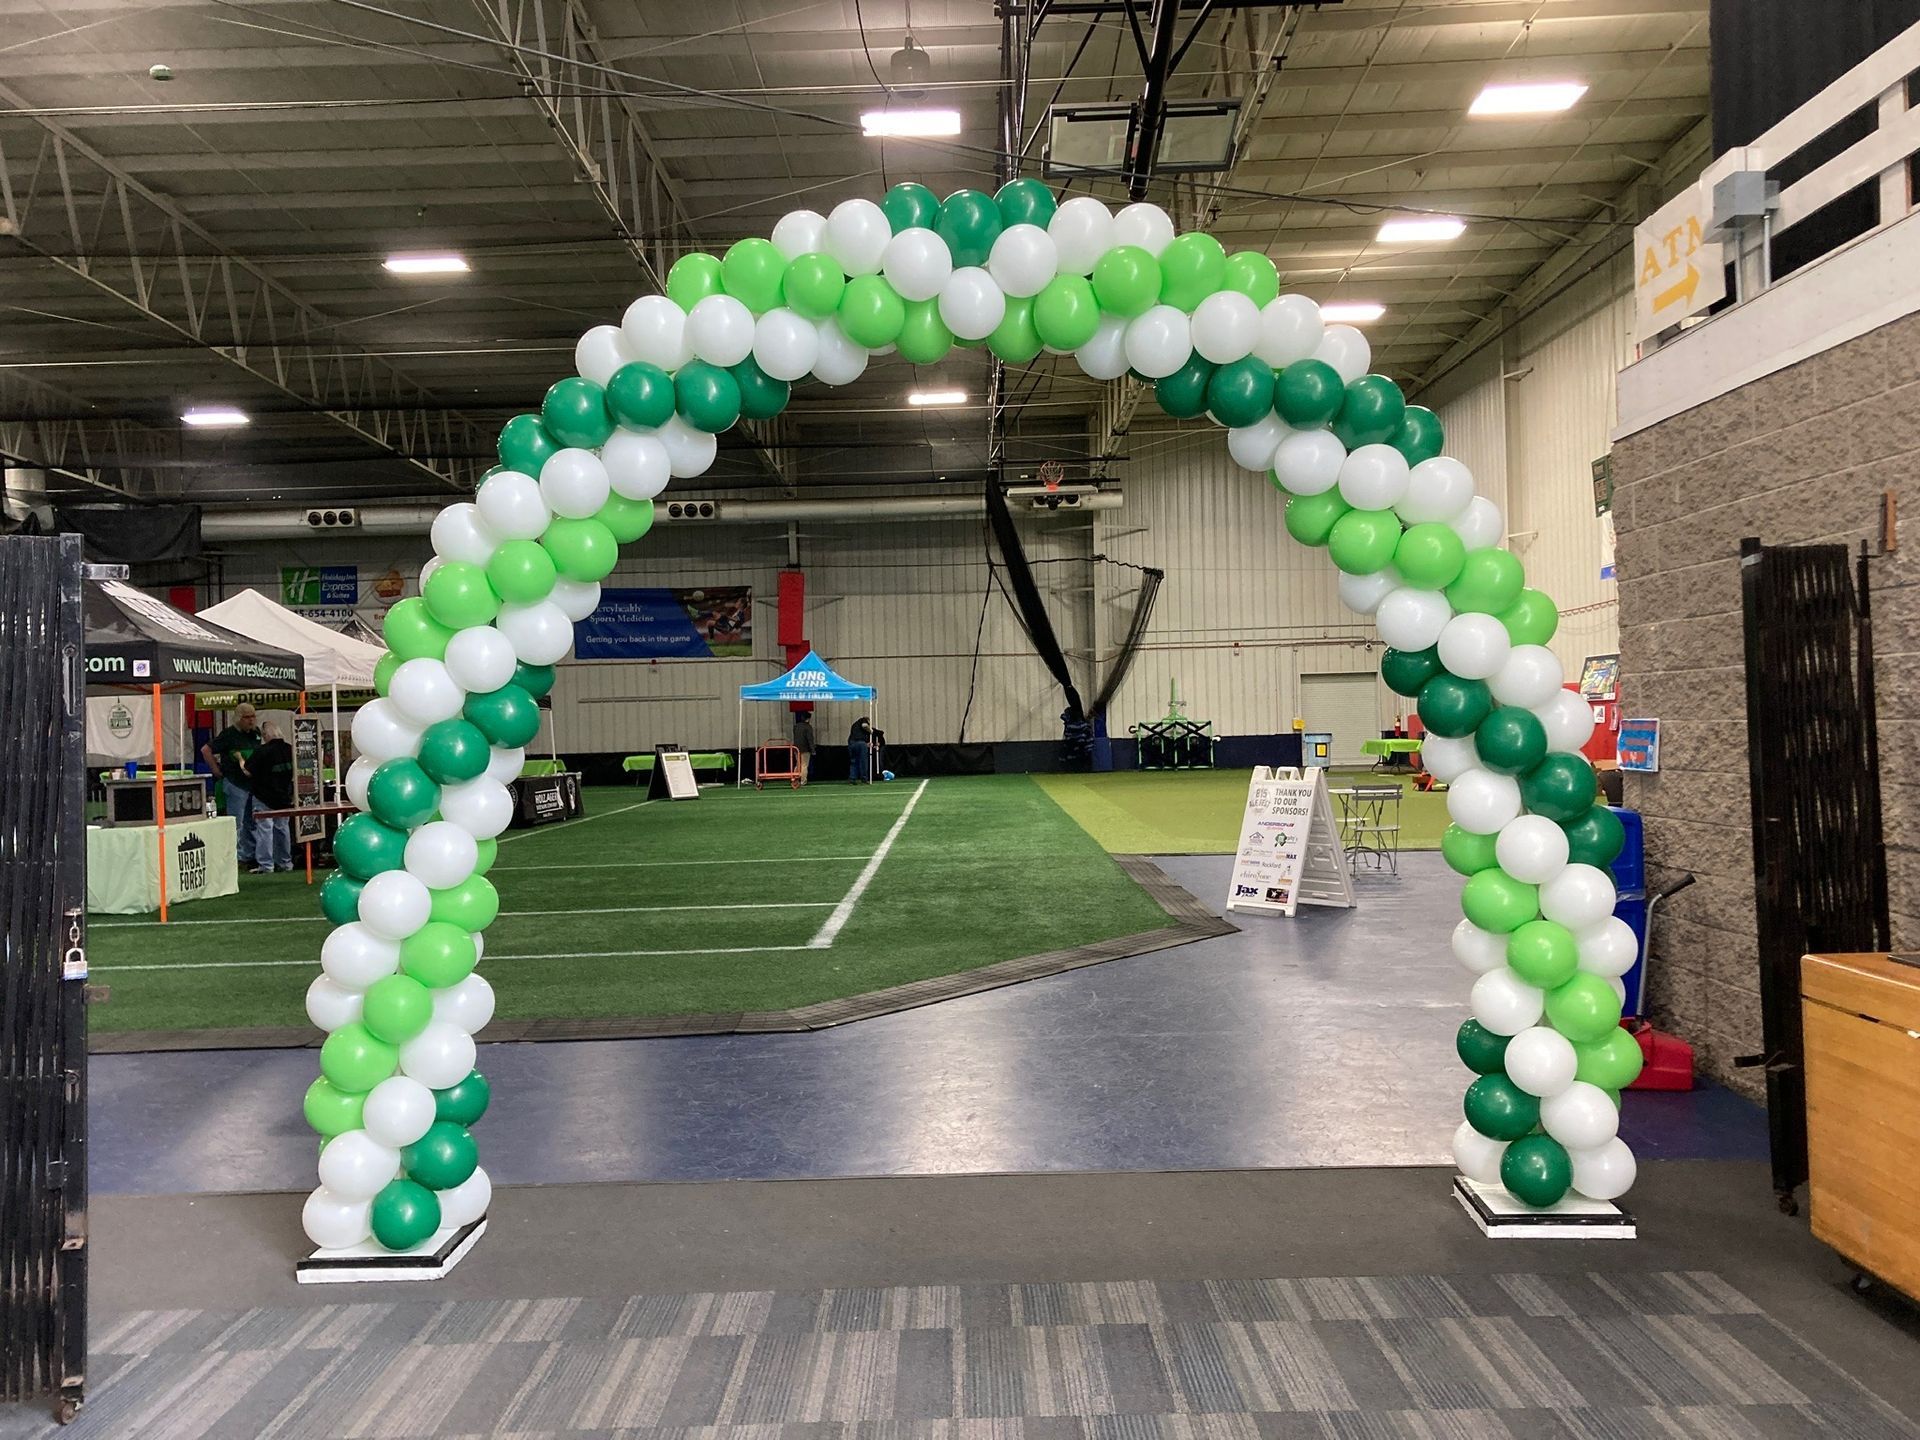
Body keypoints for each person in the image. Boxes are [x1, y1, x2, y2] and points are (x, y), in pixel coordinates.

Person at [203, 702, 262, 870]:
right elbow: (205, 750)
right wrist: (216, 770)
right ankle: (235, 857)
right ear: (238, 718)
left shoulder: (256, 733)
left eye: (253, 716)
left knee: (251, 821)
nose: (251, 721)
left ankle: (248, 855)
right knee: (236, 823)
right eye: (247, 717)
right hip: (235, 783)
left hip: (252, 785)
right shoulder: (228, 734)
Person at [243, 720, 296, 874]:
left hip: (264, 796)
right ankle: (285, 863)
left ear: (265, 735)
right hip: (284, 796)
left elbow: (247, 771)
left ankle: (266, 865)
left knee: (264, 830)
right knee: (283, 829)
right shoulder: (290, 749)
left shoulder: (262, 751)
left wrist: (240, 760)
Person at [792, 708, 815, 785]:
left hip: (796, 748)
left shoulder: (796, 726)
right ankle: (803, 780)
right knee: (804, 765)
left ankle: (794, 778)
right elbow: (810, 739)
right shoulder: (808, 727)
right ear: (808, 719)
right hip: (805, 749)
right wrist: (813, 750)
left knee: (798, 764)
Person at [848, 715, 871, 784]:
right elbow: (864, 725)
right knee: (863, 762)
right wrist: (870, 731)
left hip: (852, 743)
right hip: (861, 744)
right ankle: (864, 778)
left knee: (854, 762)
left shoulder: (855, 725)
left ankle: (852, 779)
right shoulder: (863, 720)